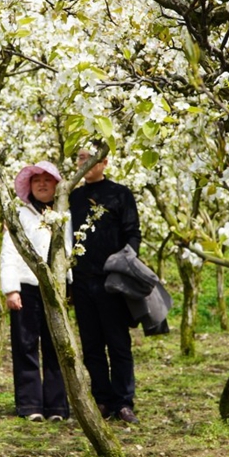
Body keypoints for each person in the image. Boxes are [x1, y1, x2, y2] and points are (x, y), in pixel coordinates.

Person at [69, 145, 142, 424]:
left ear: (105, 162)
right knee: (91, 345)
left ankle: (124, 402)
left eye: (90, 159)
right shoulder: (73, 197)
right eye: (80, 159)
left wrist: (123, 265)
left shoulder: (119, 194)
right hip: (82, 282)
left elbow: (132, 233)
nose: (84, 163)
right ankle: (102, 399)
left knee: (118, 343)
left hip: (112, 283)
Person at [0, 161, 70, 423]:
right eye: (36, 180)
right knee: (26, 345)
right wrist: (11, 289)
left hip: (56, 290)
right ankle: (30, 406)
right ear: (29, 186)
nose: (42, 184)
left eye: (47, 179)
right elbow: (8, 253)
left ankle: (57, 407)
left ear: (56, 185)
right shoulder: (20, 214)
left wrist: (68, 287)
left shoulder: (64, 215)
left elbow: (70, 251)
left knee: (57, 347)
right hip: (26, 288)